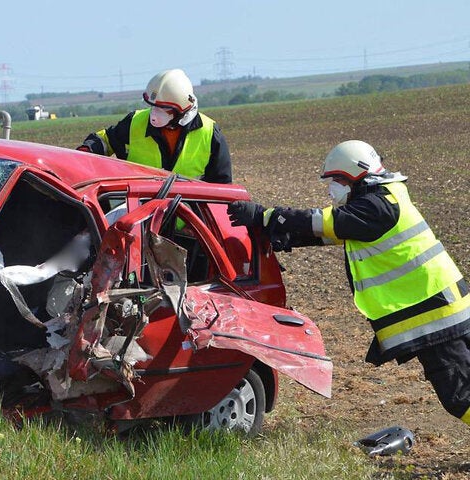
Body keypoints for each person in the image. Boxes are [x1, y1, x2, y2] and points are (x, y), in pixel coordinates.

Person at [227, 140, 470, 427]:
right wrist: (288, 237)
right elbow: (334, 232)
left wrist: (264, 216)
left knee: (459, 396)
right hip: (444, 305)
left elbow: (325, 222)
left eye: (337, 180)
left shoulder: (377, 206)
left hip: (436, 315)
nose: (332, 189)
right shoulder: (383, 199)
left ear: (356, 176)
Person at [78, 69, 232, 184]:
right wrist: (86, 150)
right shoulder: (134, 122)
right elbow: (106, 140)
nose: (154, 114)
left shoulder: (209, 133)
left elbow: (223, 185)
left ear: (182, 109)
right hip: (139, 213)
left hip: (188, 215)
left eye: (163, 108)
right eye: (153, 106)